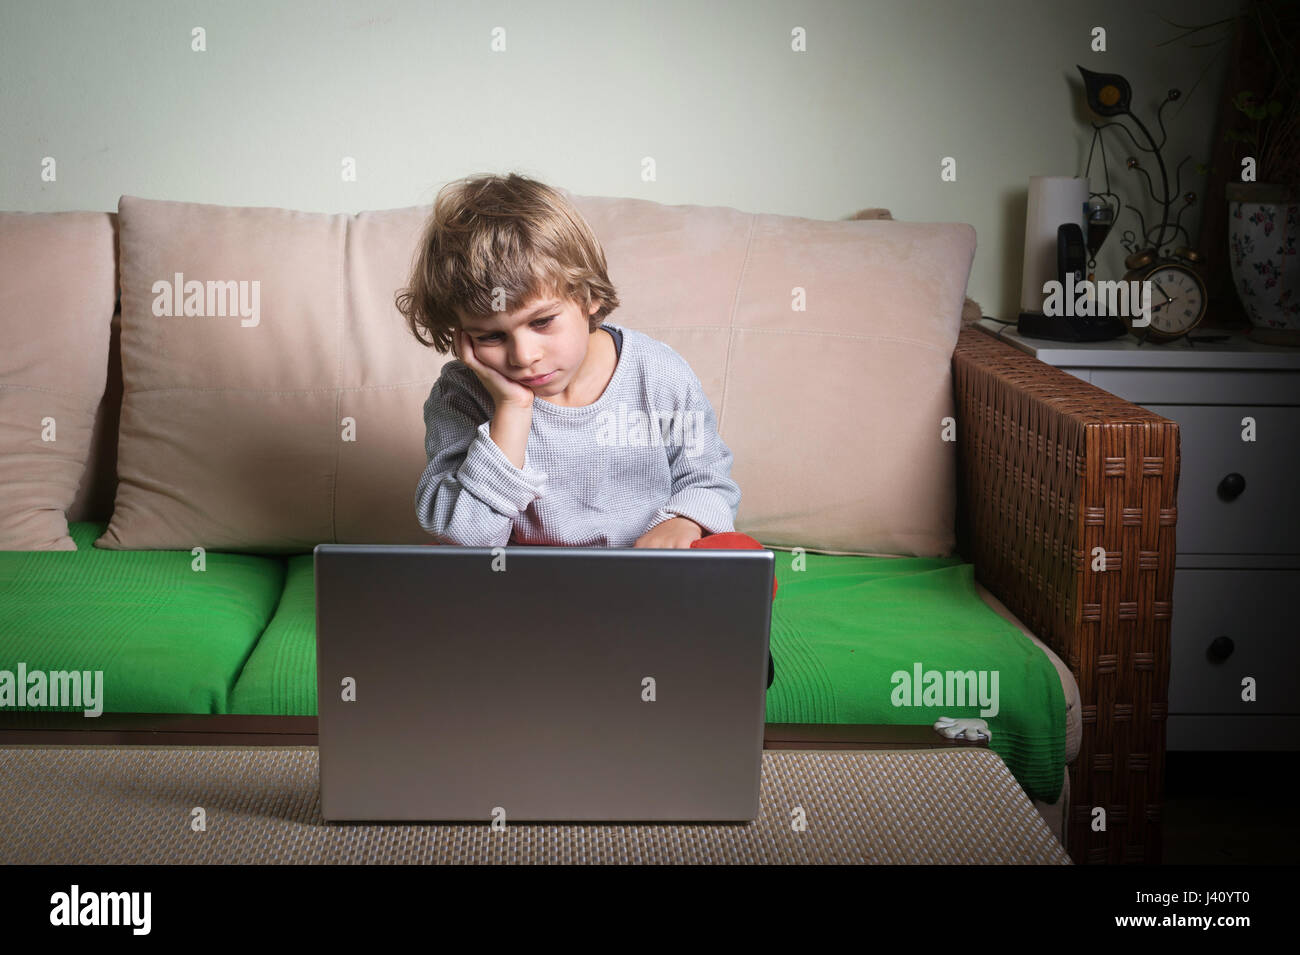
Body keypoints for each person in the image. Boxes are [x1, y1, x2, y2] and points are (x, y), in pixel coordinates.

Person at [396, 173, 775, 688]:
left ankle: (683, 657)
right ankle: (553, 666)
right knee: (421, 591)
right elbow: (467, 541)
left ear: (587, 297)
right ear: (461, 335)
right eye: (490, 336)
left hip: (643, 583)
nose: (523, 356)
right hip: (519, 593)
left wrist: (685, 521)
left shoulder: (656, 373)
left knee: (740, 556)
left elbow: (708, 479)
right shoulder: (461, 396)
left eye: (543, 322)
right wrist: (511, 409)